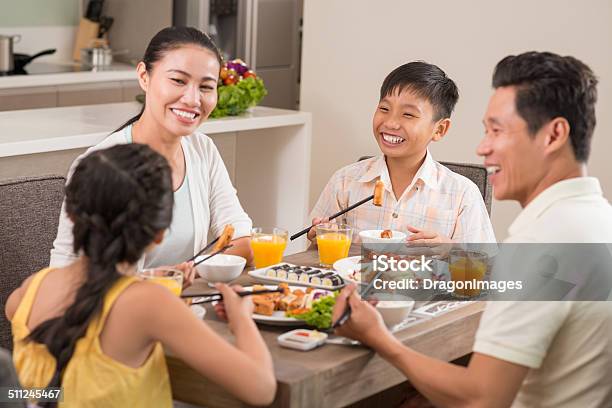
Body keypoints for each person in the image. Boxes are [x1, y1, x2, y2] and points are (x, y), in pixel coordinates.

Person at [331, 52, 612, 407]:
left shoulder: (543, 241)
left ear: (553, 135)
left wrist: (379, 339)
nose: (482, 148)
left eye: (497, 131)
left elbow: (480, 398)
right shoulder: (596, 219)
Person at [5, 144, 275, 407]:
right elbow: (261, 389)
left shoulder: (30, 290)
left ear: (72, 216)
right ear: (160, 233)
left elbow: (40, 393)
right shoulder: (149, 303)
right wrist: (241, 319)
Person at [50, 27, 253, 285]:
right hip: (117, 316)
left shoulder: (203, 150)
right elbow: (66, 269)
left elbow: (242, 240)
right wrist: (164, 280)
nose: (192, 99)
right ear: (144, 76)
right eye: (178, 81)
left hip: (187, 309)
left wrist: (190, 271)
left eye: (206, 87)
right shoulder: (102, 164)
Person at [308, 61, 495, 247]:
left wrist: (452, 251)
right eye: (384, 109)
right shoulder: (345, 181)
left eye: (408, 115)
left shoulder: (462, 194)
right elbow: (315, 256)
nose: (390, 123)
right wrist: (321, 238)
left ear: (439, 129)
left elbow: (485, 268)